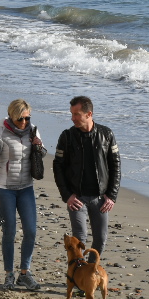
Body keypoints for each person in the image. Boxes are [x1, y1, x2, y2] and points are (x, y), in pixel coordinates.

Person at [0, 98, 43, 291]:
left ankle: (24, 274)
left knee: (31, 231)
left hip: (26, 188)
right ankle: (9, 274)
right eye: (20, 119)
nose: (24, 122)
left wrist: (39, 146)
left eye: (27, 118)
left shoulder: (33, 131)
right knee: (9, 232)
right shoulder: (0, 133)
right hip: (5, 189)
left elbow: (40, 155)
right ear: (11, 116)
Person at [52, 95, 121, 257]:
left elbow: (116, 165)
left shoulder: (106, 134)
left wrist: (111, 195)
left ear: (89, 114)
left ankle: (89, 269)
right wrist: (67, 195)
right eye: (72, 114)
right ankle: (78, 271)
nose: (73, 118)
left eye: (76, 114)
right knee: (79, 239)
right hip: (77, 198)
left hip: (100, 198)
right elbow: (58, 167)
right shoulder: (67, 136)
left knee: (100, 239)